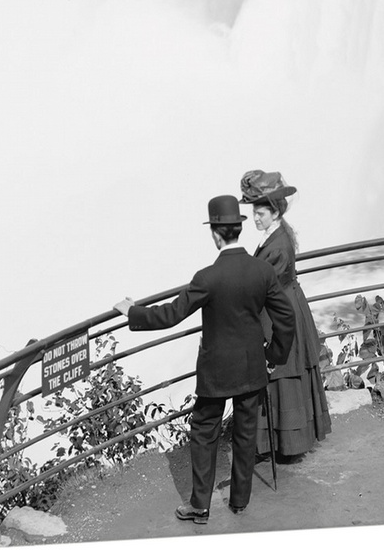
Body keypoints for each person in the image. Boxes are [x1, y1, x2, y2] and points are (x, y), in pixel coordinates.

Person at [113, 194, 295, 525]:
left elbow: (170, 315)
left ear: (214, 233)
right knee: (245, 429)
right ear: (238, 229)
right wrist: (272, 356)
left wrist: (133, 312)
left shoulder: (207, 277)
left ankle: (199, 505)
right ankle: (240, 500)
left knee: (204, 430)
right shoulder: (262, 271)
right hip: (253, 363)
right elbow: (286, 320)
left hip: (216, 371)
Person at [239, 169, 332, 459]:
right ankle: (284, 441)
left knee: (283, 371)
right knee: (285, 372)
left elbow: (264, 285)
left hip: (279, 309)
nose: (256, 218)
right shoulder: (277, 234)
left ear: (275, 211)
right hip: (287, 302)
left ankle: (286, 444)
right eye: (254, 211)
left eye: (261, 213)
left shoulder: (276, 244)